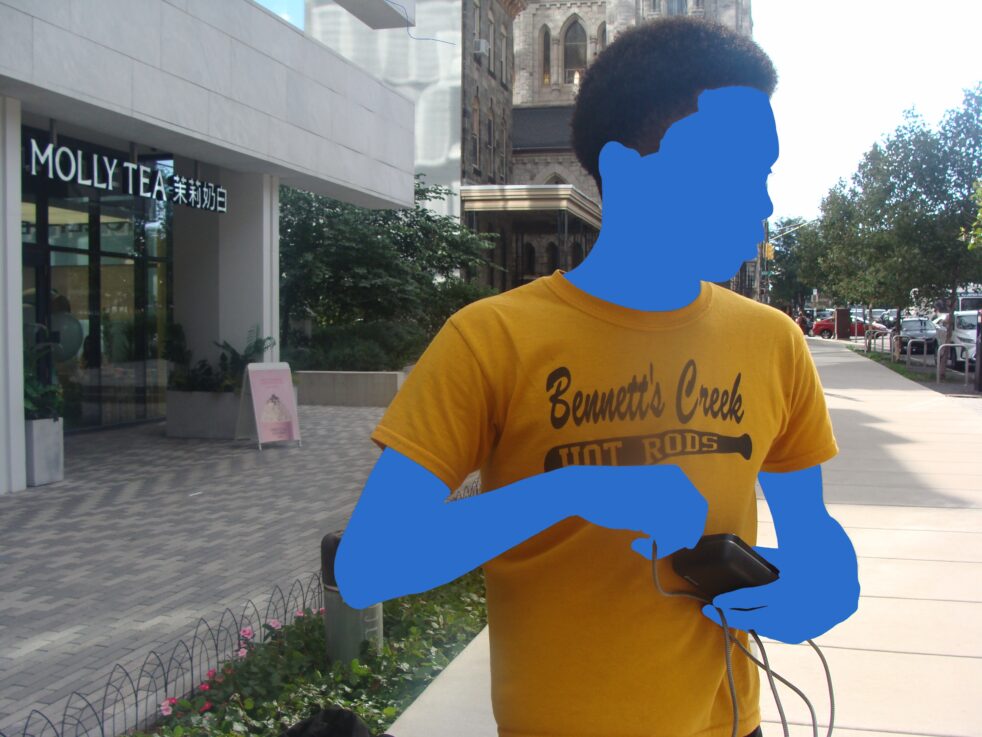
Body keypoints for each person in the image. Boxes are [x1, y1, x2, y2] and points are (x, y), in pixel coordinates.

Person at [336, 17, 860, 737]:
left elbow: (813, 530)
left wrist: (830, 580)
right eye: (730, 170)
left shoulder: (772, 342)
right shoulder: (491, 340)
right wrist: (574, 489)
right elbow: (370, 565)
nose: (762, 205)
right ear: (623, 169)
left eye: (764, 173)